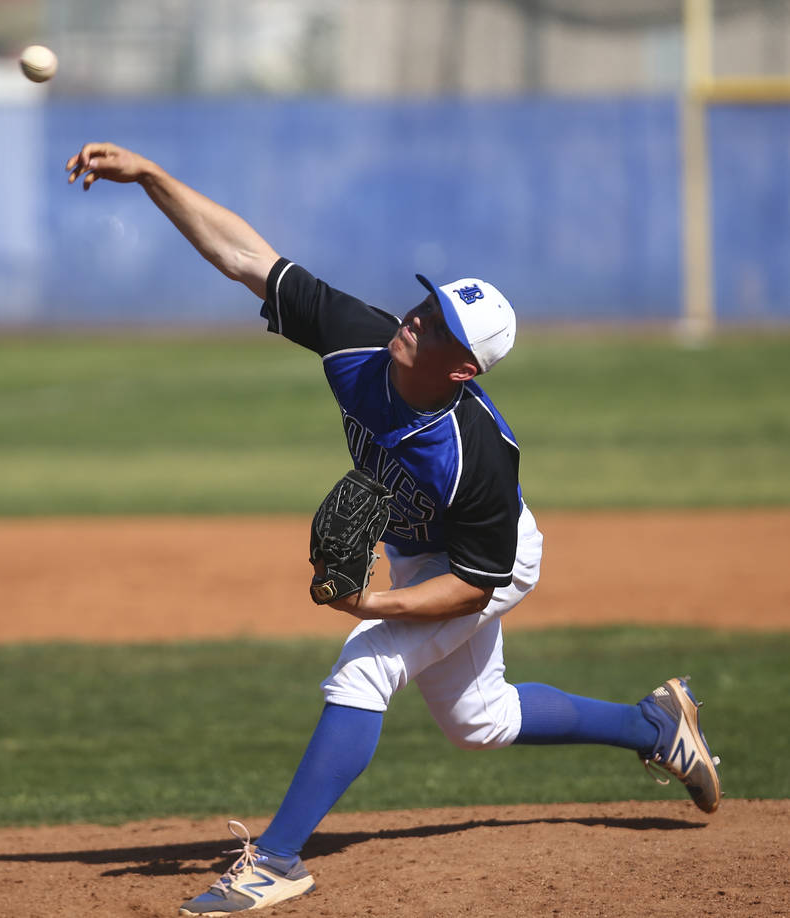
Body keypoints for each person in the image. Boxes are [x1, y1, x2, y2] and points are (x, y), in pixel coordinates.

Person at [64, 142, 722, 917]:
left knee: (365, 669)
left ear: (464, 368)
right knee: (482, 722)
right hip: (422, 554)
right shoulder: (356, 336)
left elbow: (472, 585)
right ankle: (654, 726)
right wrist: (150, 177)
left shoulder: (477, 457)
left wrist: (368, 608)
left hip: (490, 563)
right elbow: (246, 256)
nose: (416, 319)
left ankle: (276, 860)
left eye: (438, 323)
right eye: (426, 303)